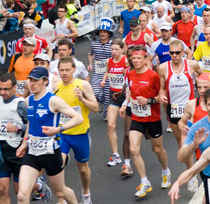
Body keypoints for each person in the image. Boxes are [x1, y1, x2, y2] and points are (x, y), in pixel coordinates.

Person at [16, 67, 83, 204]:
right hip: (32, 153)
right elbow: (31, 123)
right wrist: (24, 143)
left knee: (60, 192)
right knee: (22, 196)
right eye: (30, 80)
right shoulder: (28, 101)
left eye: (35, 80)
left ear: (45, 81)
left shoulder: (53, 101)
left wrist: (58, 129)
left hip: (51, 153)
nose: (31, 84)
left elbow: (78, 118)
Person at [119, 46, 171, 198]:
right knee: (134, 149)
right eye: (133, 59)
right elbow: (130, 91)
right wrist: (124, 105)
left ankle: (165, 171)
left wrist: (148, 100)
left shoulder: (153, 76)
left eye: (138, 58)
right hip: (137, 117)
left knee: (157, 150)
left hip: (153, 118)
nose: (135, 61)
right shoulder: (130, 73)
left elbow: (161, 97)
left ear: (145, 60)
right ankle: (144, 181)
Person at [0, 72, 52, 204]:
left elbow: (33, 126)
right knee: (2, 190)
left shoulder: (21, 104)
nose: (3, 92)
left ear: (15, 88)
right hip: (2, 153)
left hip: (19, 152)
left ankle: (39, 186)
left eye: (6, 89)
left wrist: (18, 128)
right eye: (0, 89)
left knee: (20, 192)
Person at [54, 57, 99, 204]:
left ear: (74, 69)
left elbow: (95, 108)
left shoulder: (83, 85)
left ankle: (86, 193)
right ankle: (62, 197)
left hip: (80, 134)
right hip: (62, 134)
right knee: (59, 163)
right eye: (62, 70)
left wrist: (82, 99)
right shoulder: (56, 86)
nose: (65, 73)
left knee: (83, 170)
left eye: (67, 70)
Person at [157, 40, 201, 149]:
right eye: (171, 53)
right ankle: (190, 166)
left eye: (177, 53)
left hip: (190, 107)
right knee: (181, 144)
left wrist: (202, 89)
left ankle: (195, 164)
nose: (174, 55)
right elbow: (162, 89)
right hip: (173, 108)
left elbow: (204, 77)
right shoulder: (163, 68)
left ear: (183, 53)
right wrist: (162, 95)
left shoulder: (192, 65)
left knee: (189, 142)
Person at [100, 39, 130, 169]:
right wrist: (104, 80)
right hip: (113, 95)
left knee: (128, 131)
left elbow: (130, 78)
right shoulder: (109, 61)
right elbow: (108, 71)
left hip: (126, 95)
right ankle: (116, 154)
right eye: (112, 49)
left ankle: (131, 152)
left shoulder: (126, 61)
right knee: (110, 125)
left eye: (116, 49)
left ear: (122, 49)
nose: (114, 52)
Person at [88, 18, 113, 120]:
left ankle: (106, 114)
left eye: (105, 32)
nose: (102, 34)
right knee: (95, 92)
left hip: (109, 72)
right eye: (101, 32)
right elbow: (90, 54)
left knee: (107, 94)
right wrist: (90, 64)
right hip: (97, 72)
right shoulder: (94, 44)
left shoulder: (112, 44)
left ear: (108, 34)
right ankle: (100, 101)